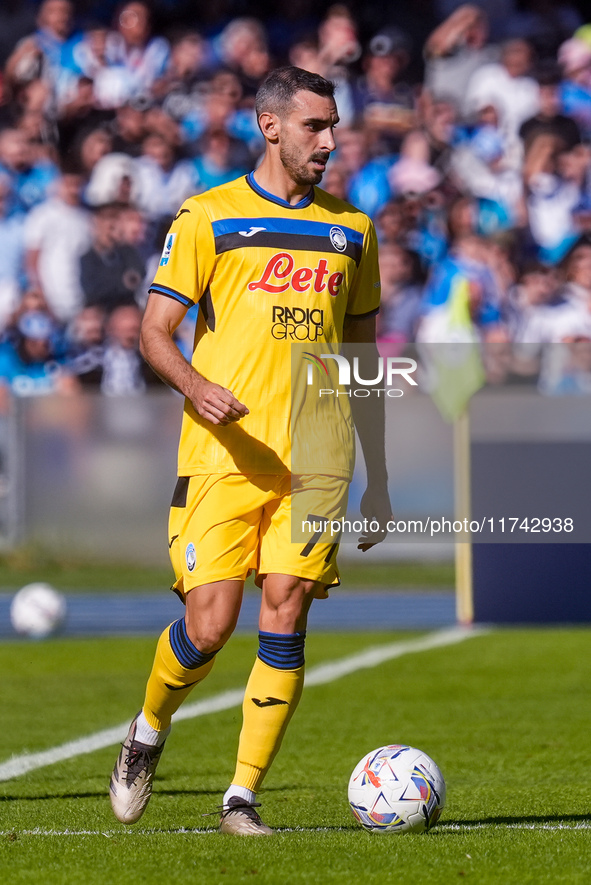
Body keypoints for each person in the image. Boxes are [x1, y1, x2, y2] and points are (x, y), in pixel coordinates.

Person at [109, 65, 391, 835]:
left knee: (286, 610)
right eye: (314, 126)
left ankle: (240, 795)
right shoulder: (208, 216)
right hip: (225, 452)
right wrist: (196, 387)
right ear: (269, 127)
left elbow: (362, 352)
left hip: (318, 457)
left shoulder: (354, 229)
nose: (329, 142)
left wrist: (381, 474)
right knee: (208, 624)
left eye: (333, 127)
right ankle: (147, 730)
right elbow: (153, 334)